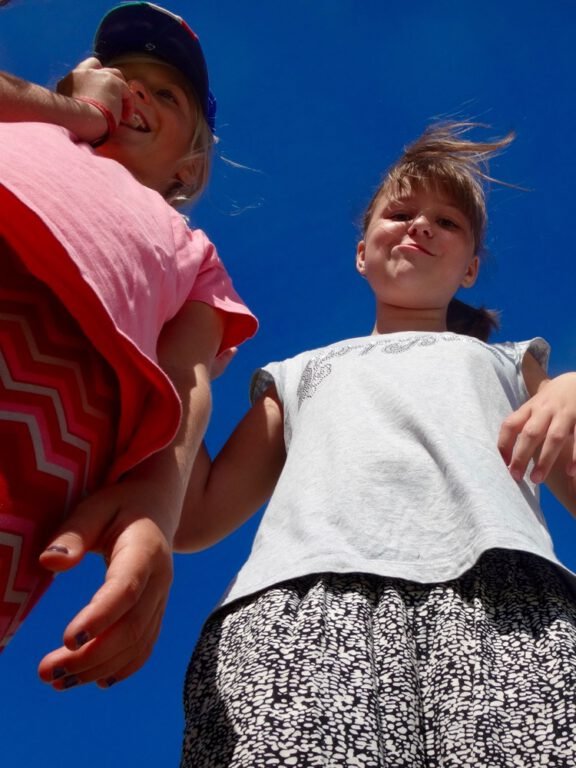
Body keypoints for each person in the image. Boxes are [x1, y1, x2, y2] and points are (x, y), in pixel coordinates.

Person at [176, 123, 576, 766]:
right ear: (361, 251)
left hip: (504, 601)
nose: (420, 227)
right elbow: (193, 518)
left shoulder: (511, 363)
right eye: (399, 212)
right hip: (303, 608)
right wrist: (179, 368)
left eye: (446, 222)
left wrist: (572, 390)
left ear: (470, 267)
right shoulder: (296, 372)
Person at [0, 2, 257, 690]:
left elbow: (189, 376)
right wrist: (70, 113)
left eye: (165, 94)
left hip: (29, 448)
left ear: (189, 166)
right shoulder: (30, 123)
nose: (135, 91)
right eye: (118, 74)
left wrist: (157, 496)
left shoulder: (193, 254)